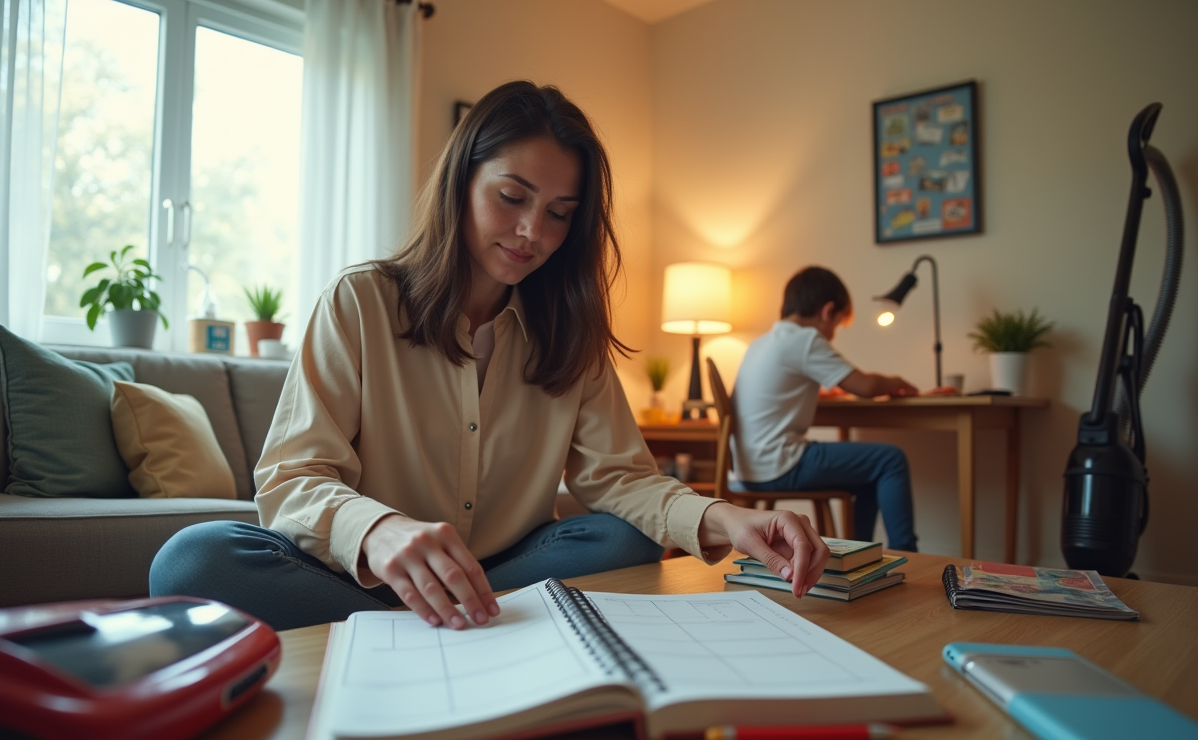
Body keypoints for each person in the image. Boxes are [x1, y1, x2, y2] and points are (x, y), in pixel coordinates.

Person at [150, 81, 829, 631]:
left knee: (622, 540)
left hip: (499, 571)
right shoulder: (358, 302)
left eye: (561, 213)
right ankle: (435, 624)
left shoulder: (570, 332)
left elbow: (621, 479)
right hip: (361, 568)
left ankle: (396, 630)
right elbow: (292, 477)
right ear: (462, 181)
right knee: (193, 560)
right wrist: (379, 530)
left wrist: (725, 518)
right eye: (512, 197)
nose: (534, 231)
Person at [730, 266, 920, 551]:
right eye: (838, 325)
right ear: (827, 311)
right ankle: (908, 553)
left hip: (747, 469)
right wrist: (897, 381)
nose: (833, 335)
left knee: (870, 473)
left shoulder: (761, 343)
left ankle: (860, 554)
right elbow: (865, 386)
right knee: (889, 459)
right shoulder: (805, 340)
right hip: (780, 465)